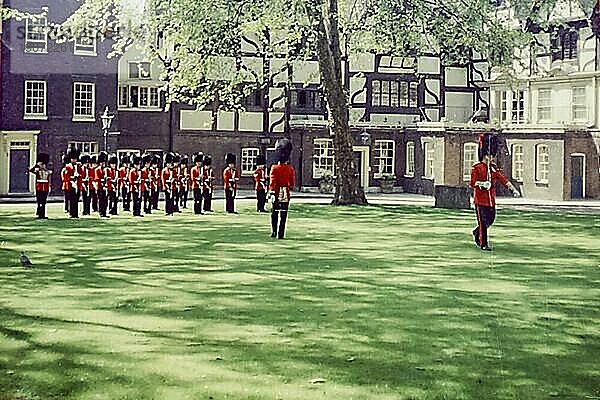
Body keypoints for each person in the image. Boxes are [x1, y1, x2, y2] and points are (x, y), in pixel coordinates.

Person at [470, 133, 520, 251]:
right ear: (484, 155)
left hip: (490, 200)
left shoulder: (492, 167)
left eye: (492, 156)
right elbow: (473, 183)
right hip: (480, 200)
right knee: (483, 223)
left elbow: (502, 178)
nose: (491, 158)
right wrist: (482, 184)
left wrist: (512, 189)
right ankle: (483, 244)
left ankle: (477, 232)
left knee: (490, 220)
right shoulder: (477, 167)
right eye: (489, 156)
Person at [269, 139, 295, 239]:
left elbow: (273, 181)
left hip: (276, 192)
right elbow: (292, 183)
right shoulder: (290, 168)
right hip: (285, 192)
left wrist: (271, 193)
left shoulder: (274, 167)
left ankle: (274, 231)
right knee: (283, 214)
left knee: (274, 213)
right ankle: (281, 233)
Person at [29, 152, 52, 219]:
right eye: (42, 164)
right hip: (39, 187)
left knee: (44, 202)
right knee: (39, 201)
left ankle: (43, 214)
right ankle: (39, 214)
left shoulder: (48, 171)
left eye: (43, 164)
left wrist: (49, 186)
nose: (43, 166)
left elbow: (49, 180)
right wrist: (36, 165)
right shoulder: (37, 171)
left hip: (45, 188)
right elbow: (31, 170)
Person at [95, 151, 109, 218]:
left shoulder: (106, 170)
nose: (103, 164)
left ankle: (104, 212)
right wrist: (104, 180)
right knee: (101, 200)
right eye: (102, 162)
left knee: (105, 201)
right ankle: (101, 213)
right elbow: (97, 179)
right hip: (99, 187)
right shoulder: (97, 170)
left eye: (104, 162)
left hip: (105, 187)